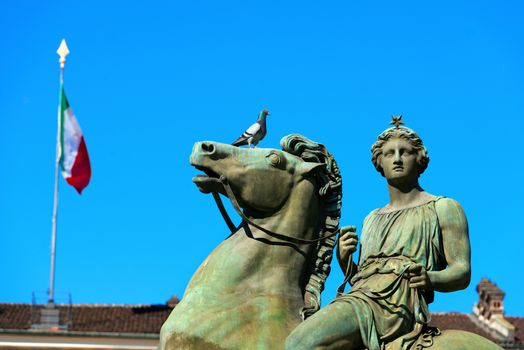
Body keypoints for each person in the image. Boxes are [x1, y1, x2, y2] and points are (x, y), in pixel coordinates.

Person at [285, 117, 471, 350]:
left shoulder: (443, 207)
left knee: (299, 343)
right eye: (389, 153)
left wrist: (430, 278)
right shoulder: (371, 218)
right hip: (362, 298)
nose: (397, 159)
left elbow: (462, 272)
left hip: (397, 304)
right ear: (379, 162)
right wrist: (345, 261)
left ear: (419, 158)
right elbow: (362, 279)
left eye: (405, 152)